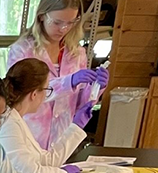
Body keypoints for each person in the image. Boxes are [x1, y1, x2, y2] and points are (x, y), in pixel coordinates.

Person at [7, 0, 108, 150]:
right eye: (57, 22)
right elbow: (25, 94)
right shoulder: (22, 51)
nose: (63, 29)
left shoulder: (77, 53)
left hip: (63, 140)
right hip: (29, 139)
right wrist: (69, 82)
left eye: (70, 23)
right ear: (41, 16)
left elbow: (80, 103)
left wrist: (96, 87)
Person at [0, 58, 92, 173]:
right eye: (47, 89)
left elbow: (46, 160)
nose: (46, 96)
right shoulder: (9, 124)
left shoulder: (16, 119)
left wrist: (76, 127)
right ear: (34, 94)